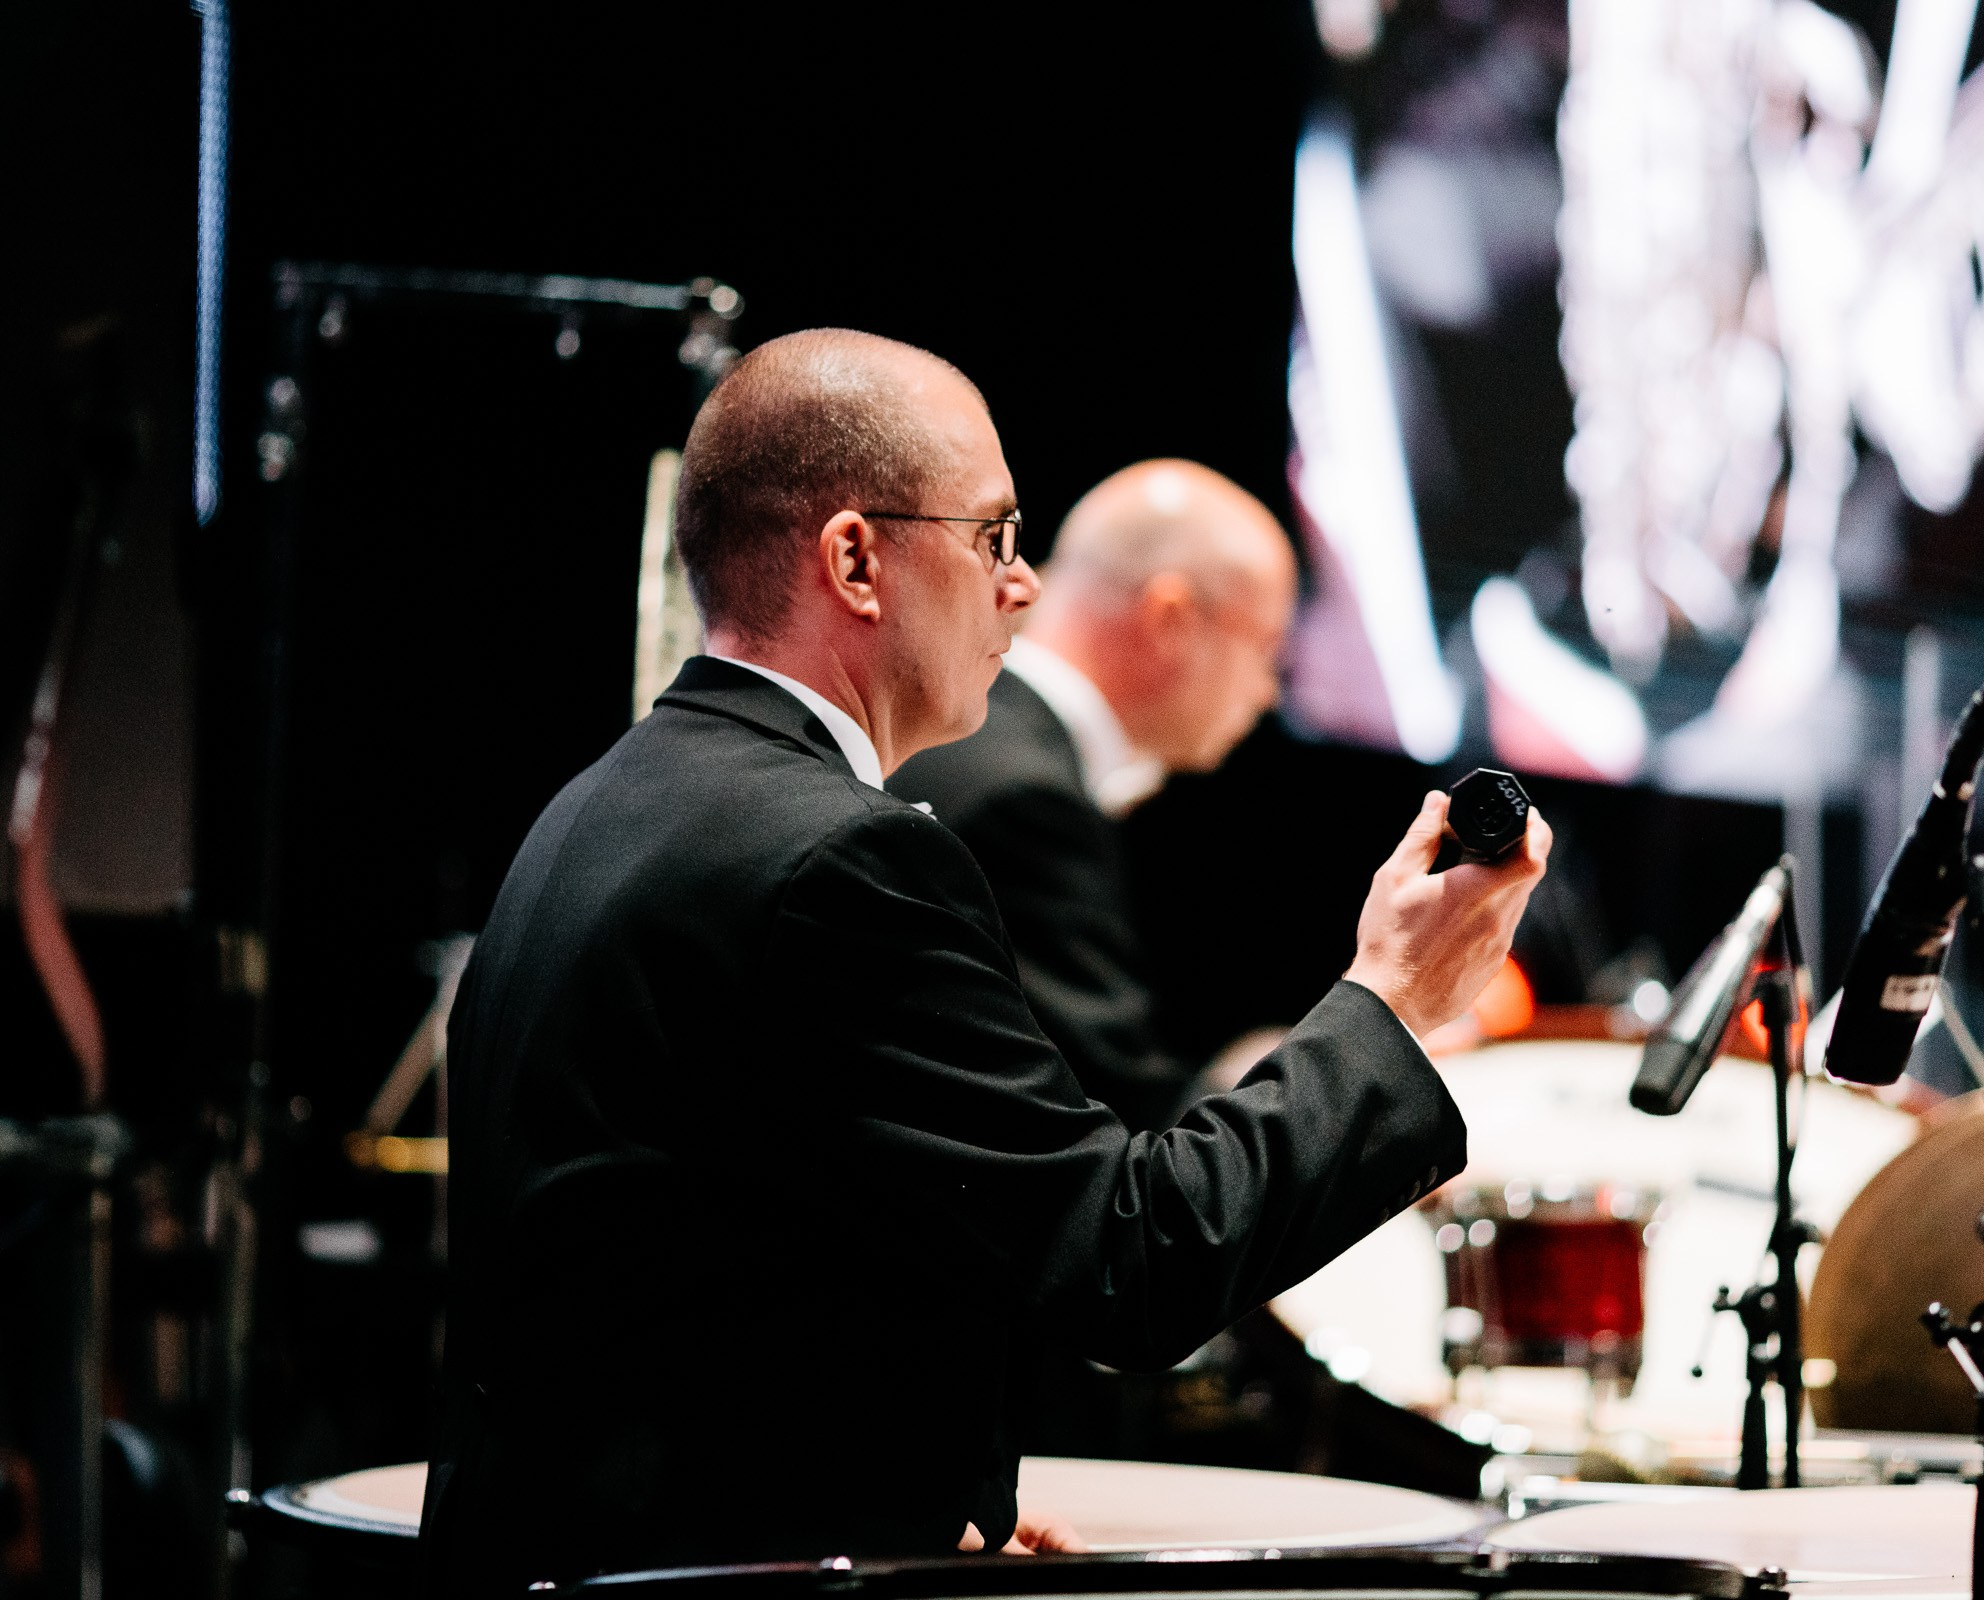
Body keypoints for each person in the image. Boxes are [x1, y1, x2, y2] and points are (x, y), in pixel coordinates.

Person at [420, 329, 1552, 1592]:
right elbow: (1128, 1263)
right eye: (995, 538)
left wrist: (902, 1499)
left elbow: (696, 1291)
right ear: (856, 559)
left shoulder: (597, 804)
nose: (1023, 589)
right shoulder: (845, 861)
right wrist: (1392, 998)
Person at [888, 459, 1293, 1132]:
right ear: (1172, 619)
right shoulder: (1022, 801)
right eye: (1268, 649)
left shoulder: (967, 736)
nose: (1269, 692)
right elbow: (1124, 1136)